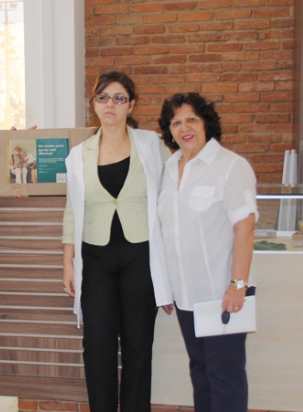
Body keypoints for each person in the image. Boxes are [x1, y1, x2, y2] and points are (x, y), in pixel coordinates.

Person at [62, 71, 173, 412]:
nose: (111, 104)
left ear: (131, 105)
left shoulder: (151, 145)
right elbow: (72, 210)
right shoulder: (78, 155)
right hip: (95, 258)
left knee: (138, 343)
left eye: (119, 98)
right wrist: (67, 262)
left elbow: (172, 190)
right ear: (94, 104)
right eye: (104, 97)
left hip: (141, 254)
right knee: (98, 344)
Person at [157, 92, 257, 412]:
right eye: (176, 122)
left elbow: (245, 227)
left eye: (192, 119)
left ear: (206, 124)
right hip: (186, 296)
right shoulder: (168, 169)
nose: (184, 128)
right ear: (169, 130)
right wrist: (166, 288)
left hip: (220, 294)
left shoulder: (230, 166)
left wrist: (237, 285)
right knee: (200, 373)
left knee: (224, 377)